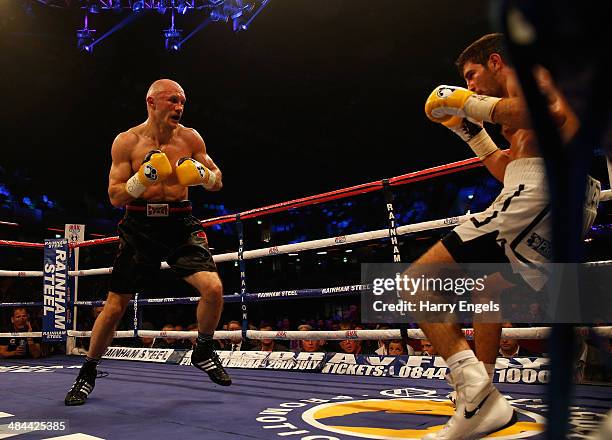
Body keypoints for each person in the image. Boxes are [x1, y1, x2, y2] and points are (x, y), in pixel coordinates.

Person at [403, 33, 600, 439]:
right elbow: (507, 166)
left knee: (415, 281)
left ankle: (477, 398)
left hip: (542, 192)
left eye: (472, 76)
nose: (470, 86)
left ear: (495, 62)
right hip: (539, 190)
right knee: (488, 290)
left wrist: (467, 103)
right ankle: (483, 391)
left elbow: (552, 114)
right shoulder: (513, 113)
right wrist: (469, 132)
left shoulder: (528, 73)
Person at [65, 79, 231, 406]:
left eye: (182, 101)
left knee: (213, 288)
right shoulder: (126, 142)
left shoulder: (191, 138)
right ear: (151, 103)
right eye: (172, 101)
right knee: (116, 305)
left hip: (181, 221)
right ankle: (88, 372)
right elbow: (114, 196)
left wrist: (204, 176)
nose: (179, 107)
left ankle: (203, 348)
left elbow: (218, 181)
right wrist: (142, 179)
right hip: (139, 223)